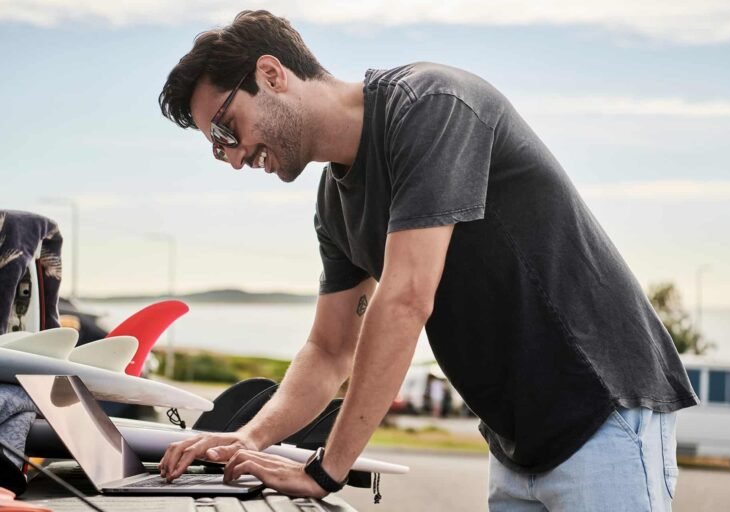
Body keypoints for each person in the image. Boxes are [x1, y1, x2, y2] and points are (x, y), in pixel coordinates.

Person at [157, 10, 698, 510]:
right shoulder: (334, 205)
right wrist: (249, 434)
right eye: (215, 147)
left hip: (603, 411)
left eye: (227, 130)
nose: (232, 158)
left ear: (272, 74)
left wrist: (327, 470)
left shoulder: (429, 106)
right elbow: (329, 349)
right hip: (516, 447)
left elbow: (406, 298)